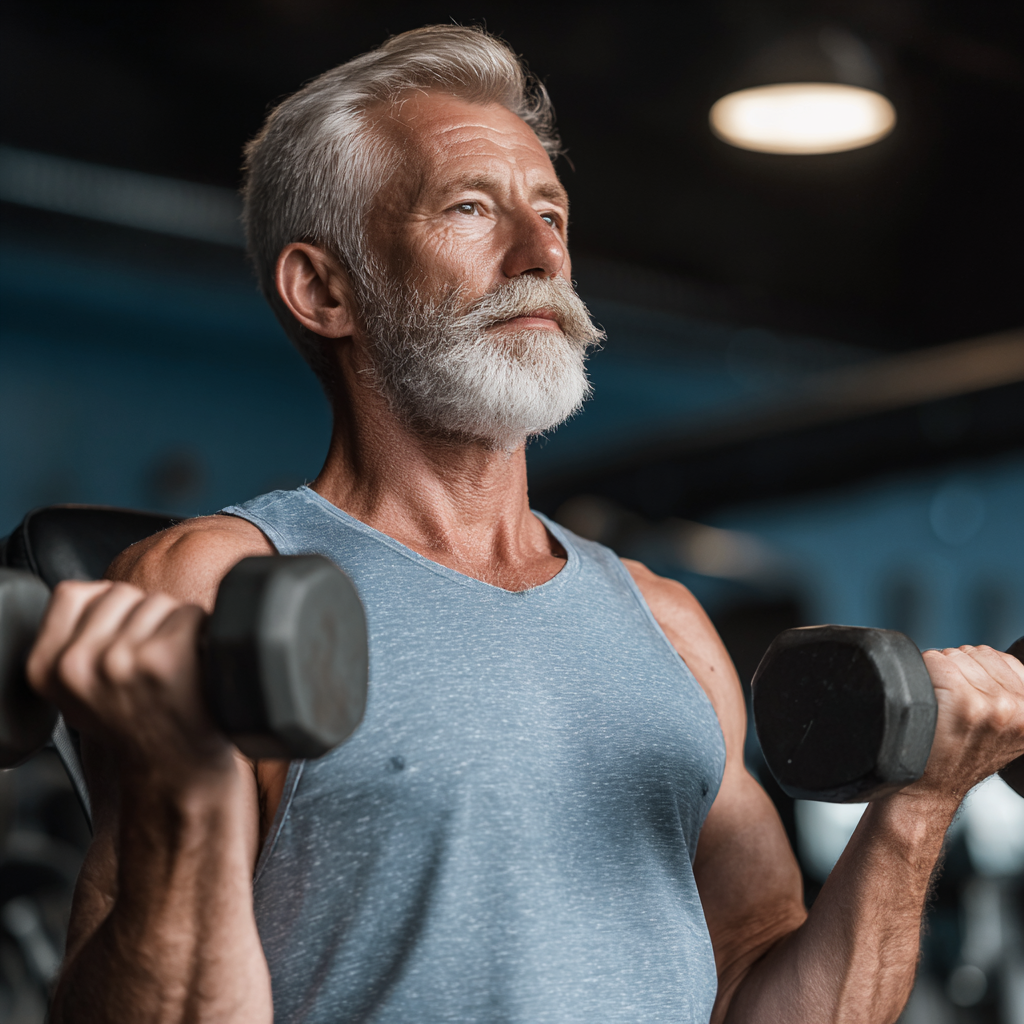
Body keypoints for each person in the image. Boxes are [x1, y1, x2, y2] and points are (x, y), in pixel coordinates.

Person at [26, 25, 1024, 1024]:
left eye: (552, 213)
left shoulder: (667, 622)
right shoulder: (212, 584)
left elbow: (768, 1004)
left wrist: (919, 805)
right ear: (325, 289)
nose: (541, 254)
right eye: (470, 207)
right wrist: (186, 801)